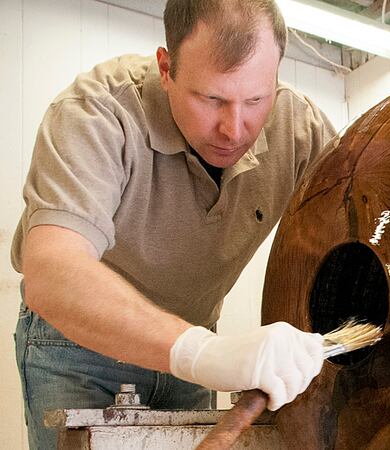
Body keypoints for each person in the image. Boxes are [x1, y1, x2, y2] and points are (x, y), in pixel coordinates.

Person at [11, 0, 337, 448]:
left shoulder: (301, 130)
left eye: (257, 99)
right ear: (166, 69)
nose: (234, 129)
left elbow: (372, 210)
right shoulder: (95, 112)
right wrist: (201, 353)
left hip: (194, 347)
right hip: (79, 349)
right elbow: (50, 273)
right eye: (212, 99)